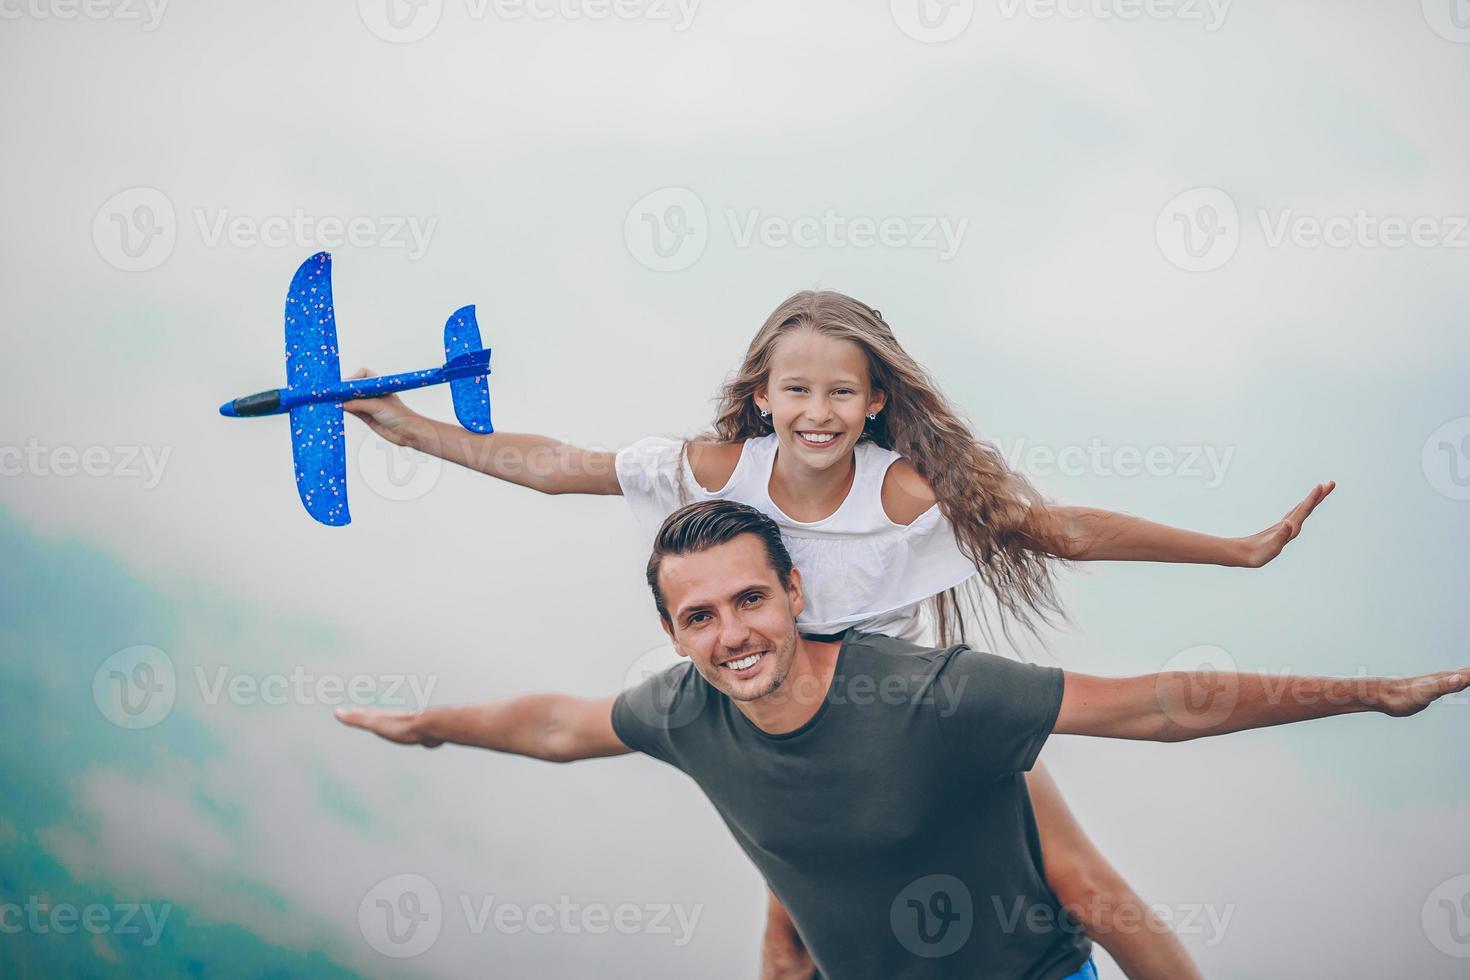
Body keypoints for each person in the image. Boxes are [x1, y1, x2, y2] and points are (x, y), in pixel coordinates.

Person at [342, 290, 1335, 978]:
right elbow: (559, 464)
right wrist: (412, 429)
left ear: (874, 404)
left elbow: (1061, 529)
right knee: (788, 948)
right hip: (790, 730)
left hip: (917, 721)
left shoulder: (899, 490)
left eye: (841, 392)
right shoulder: (714, 468)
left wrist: (1234, 551)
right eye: (798, 389)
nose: (818, 411)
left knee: (1079, 880)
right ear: (763, 393)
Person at [336, 500, 1465, 979]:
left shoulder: (929, 694)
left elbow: (1156, 705)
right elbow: (552, 723)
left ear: (793, 589)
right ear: (671, 632)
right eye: (699, 615)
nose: (732, 634)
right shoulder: (682, 713)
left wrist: (1370, 693)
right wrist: (426, 726)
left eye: (750, 599)